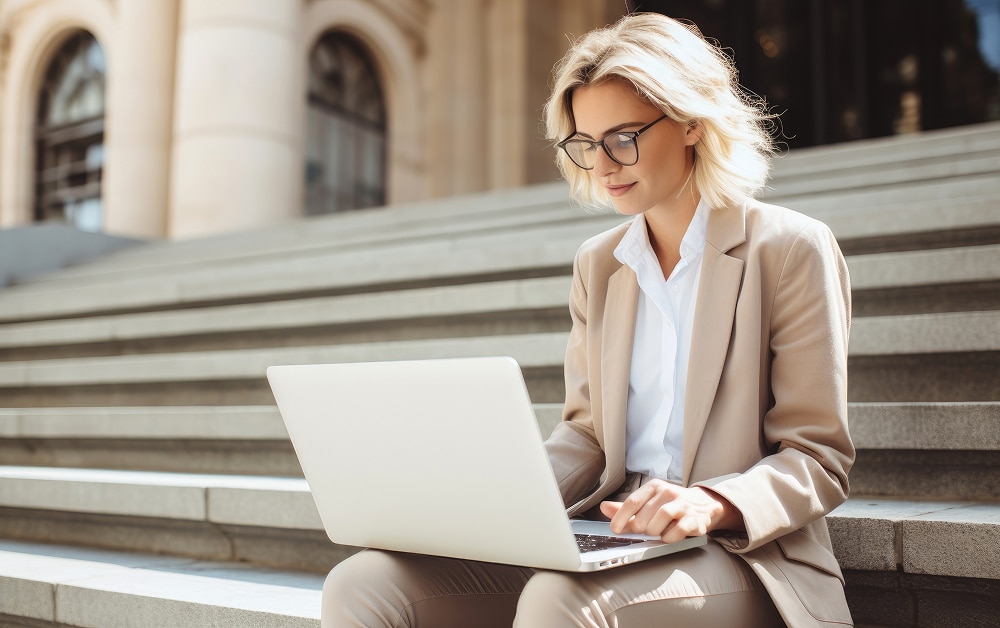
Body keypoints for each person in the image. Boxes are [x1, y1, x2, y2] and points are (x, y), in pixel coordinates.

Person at [323, 12, 854, 627]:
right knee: (362, 585)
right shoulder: (599, 264)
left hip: (742, 554)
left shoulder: (789, 249)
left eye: (622, 137)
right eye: (584, 142)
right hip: (611, 535)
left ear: (689, 122)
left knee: (560, 602)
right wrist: (491, 499)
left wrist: (708, 502)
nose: (601, 165)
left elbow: (816, 457)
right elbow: (587, 437)